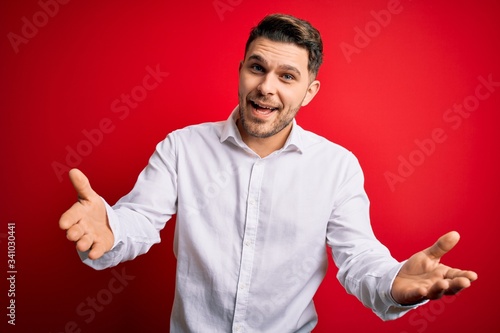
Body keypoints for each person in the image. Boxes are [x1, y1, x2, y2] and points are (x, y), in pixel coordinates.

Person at [59, 13, 478, 332]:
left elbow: (358, 258)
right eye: (257, 68)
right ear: (241, 70)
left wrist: (392, 283)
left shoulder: (336, 167)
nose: (266, 87)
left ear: (309, 91)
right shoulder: (182, 148)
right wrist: (112, 229)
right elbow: (139, 220)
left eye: (287, 76)